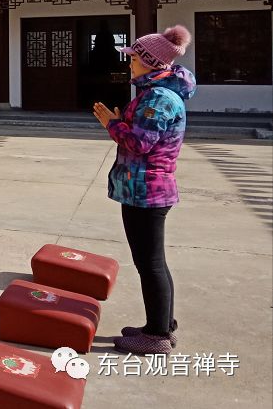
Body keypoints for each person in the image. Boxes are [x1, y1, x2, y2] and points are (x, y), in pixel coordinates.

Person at [93, 25, 195, 355]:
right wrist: (122, 122)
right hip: (146, 189)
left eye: (134, 58)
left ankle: (156, 337)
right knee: (153, 263)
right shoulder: (154, 95)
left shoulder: (158, 99)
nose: (130, 63)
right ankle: (161, 324)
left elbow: (139, 143)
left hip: (146, 191)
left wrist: (112, 122)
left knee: (150, 264)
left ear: (150, 63)